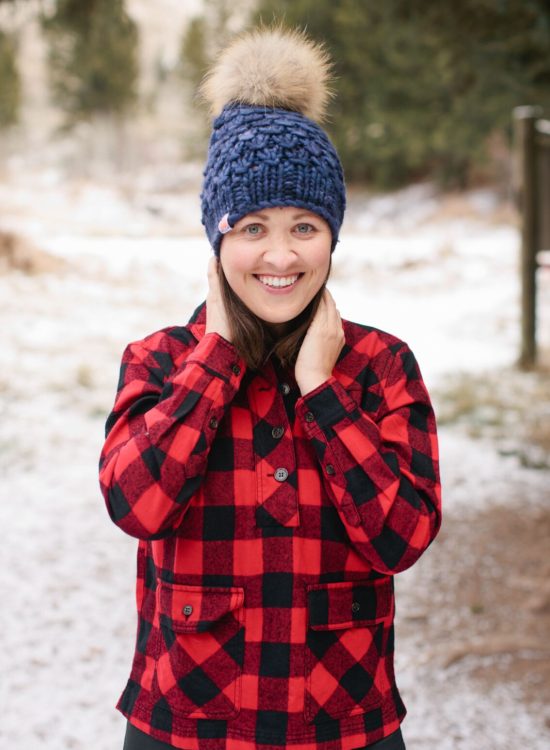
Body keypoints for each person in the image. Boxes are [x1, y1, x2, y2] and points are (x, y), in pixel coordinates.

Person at [99, 27, 442, 750]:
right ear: (217, 240)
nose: (281, 255)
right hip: (186, 728)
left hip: (345, 728)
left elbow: (403, 539)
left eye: (305, 226)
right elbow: (135, 504)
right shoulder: (160, 362)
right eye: (252, 227)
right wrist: (214, 362)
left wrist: (322, 391)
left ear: (333, 236)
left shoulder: (382, 367)